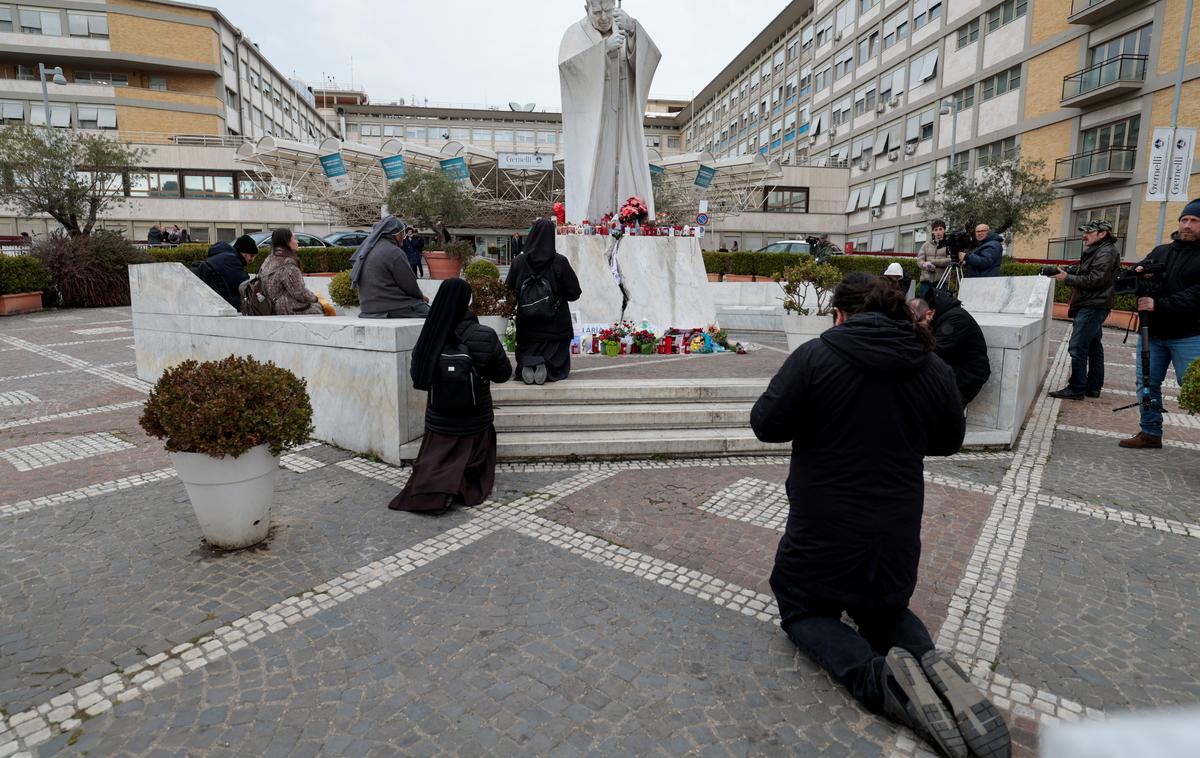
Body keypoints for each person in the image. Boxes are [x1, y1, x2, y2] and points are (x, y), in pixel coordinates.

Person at [751, 274, 1009, 758]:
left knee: (805, 608)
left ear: (841, 314)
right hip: (895, 530)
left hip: (822, 528)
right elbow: (949, 441)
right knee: (884, 609)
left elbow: (766, 424)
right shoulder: (932, 366)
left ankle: (880, 679)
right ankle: (929, 662)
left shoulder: (814, 357)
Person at [389, 278, 512, 514]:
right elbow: (503, 374)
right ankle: (464, 486)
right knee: (473, 454)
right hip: (476, 417)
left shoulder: (430, 335)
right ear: (467, 301)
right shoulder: (485, 335)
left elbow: (419, 377)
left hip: (440, 417)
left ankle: (434, 489)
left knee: (436, 458)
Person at [1119, 199, 1200, 449]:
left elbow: (1197, 294)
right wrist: (1138, 272)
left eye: (1194, 221)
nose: (1187, 225)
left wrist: (1159, 304)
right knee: (1146, 383)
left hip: (1189, 334)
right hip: (1153, 334)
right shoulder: (1161, 251)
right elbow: (1129, 278)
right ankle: (1150, 432)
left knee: (1194, 387)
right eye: (1184, 220)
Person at [1048, 220, 1121, 401]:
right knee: (1094, 346)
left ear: (1102, 233)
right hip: (1094, 304)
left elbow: (1096, 280)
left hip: (1093, 305)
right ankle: (1093, 387)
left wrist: (1068, 278)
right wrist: (1072, 271)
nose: (1084, 235)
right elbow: (1091, 274)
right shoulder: (1099, 250)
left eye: (1089, 231)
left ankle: (1076, 388)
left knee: (1078, 346)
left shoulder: (1106, 251)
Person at [505, 218, 582, 384]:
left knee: (528, 346)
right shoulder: (559, 262)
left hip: (527, 324)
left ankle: (529, 363)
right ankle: (548, 367)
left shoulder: (519, 261)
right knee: (555, 350)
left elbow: (508, 290)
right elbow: (574, 292)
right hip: (555, 324)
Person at [911, 289, 991, 406]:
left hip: (967, 376)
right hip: (954, 370)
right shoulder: (942, 316)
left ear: (929, 314)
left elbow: (934, 351)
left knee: (946, 413)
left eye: (916, 322)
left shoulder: (956, 319)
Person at [352, 216, 430, 319]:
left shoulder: (367, 250)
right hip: (393, 307)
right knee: (438, 315)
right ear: (396, 234)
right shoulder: (394, 252)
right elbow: (409, 285)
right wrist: (421, 297)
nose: (404, 237)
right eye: (403, 233)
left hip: (367, 309)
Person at [258, 228, 323, 316]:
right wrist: (316, 298)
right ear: (287, 242)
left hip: (268, 306)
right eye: (294, 238)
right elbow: (299, 293)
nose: (297, 242)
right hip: (285, 308)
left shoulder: (269, 259)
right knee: (318, 308)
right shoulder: (288, 263)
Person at [197, 235, 257, 309]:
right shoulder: (231, 260)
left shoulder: (222, 255)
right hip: (220, 301)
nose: (252, 260)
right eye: (251, 256)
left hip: (211, 295)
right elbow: (243, 285)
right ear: (243, 253)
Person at [918, 220, 953, 299]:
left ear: (944, 230)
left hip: (942, 281)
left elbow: (950, 260)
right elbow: (919, 260)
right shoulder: (926, 245)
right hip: (926, 282)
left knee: (940, 307)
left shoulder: (949, 245)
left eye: (940, 229)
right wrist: (925, 264)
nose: (938, 232)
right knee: (925, 305)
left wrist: (933, 262)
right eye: (936, 229)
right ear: (933, 232)